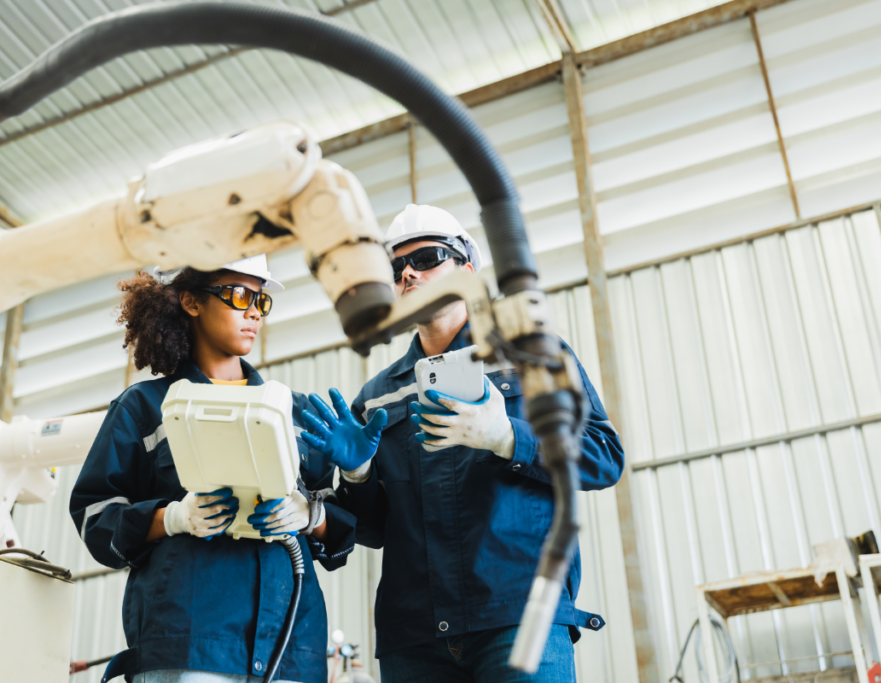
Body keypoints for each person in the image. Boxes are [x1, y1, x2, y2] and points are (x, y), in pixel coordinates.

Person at [299, 205, 625, 683]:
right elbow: (372, 529)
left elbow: (603, 456)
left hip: (516, 616)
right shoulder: (378, 397)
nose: (409, 273)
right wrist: (358, 475)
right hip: (415, 638)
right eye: (396, 268)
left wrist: (510, 437)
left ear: (467, 272)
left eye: (428, 258)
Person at [69, 255, 356, 683]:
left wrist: (310, 515)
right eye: (239, 295)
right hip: (190, 644)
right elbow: (95, 517)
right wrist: (173, 518)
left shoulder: (292, 414)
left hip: (292, 648)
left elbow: (340, 529)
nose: (254, 310)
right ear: (191, 302)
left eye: (260, 299)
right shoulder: (146, 408)